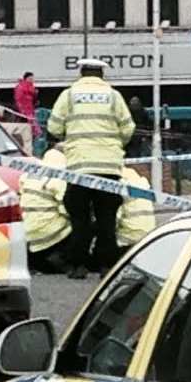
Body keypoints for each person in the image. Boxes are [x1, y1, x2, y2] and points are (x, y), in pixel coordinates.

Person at [47, 58, 135, 279]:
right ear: (102, 75)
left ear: (81, 73)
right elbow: (128, 128)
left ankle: (78, 266)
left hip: (79, 167)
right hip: (109, 167)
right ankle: (106, 266)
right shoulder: (114, 96)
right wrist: (113, 144)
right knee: (107, 217)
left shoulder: (68, 95)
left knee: (80, 218)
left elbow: (54, 127)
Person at [19, 146, 71, 274]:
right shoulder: (59, 175)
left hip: (27, 232)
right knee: (79, 223)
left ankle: (36, 263)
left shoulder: (29, 174)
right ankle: (63, 259)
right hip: (49, 232)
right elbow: (66, 208)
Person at [116, 167, 156, 253]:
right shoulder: (143, 188)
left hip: (128, 240)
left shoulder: (122, 191)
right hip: (148, 237)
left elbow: (114, 219)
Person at [14, 71, 41, 137]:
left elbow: (33, 100)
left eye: (32, 79)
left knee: (33, 127)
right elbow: (18, 99)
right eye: (30, 79)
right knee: (31, 127)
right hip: (25, 111)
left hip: (29, 110)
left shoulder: (31, 88)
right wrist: (22, 110)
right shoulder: (21, 87)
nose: (32, 80)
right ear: (26, 79)